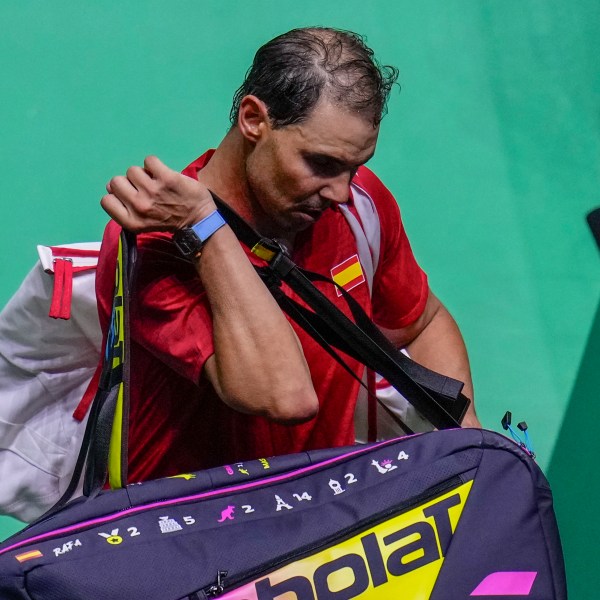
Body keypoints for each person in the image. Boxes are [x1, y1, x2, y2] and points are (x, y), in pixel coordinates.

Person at [98, 26, 480, 483]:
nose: (342, 191)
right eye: (321, 163)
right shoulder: (158, 244)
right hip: (199, 534)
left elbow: (422, 321)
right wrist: (206, 228)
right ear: (254, 120)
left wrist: (466, 445)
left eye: (355, 167)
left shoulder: (358, 206)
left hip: (323, 517)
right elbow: (284, 397)